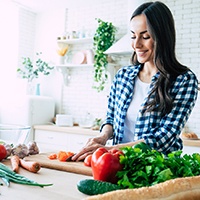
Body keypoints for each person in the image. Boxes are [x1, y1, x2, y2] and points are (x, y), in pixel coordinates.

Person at [72, 1, 199, 161]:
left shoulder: (184, 80)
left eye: (145, 37)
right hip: (116, 164)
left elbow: (164, 138)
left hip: (157, 170)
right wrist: (103, 136)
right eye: (133, 36)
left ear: (163, 37)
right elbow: (111, 118)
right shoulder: (123, 75)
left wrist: (110, 149)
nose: (136, 44)